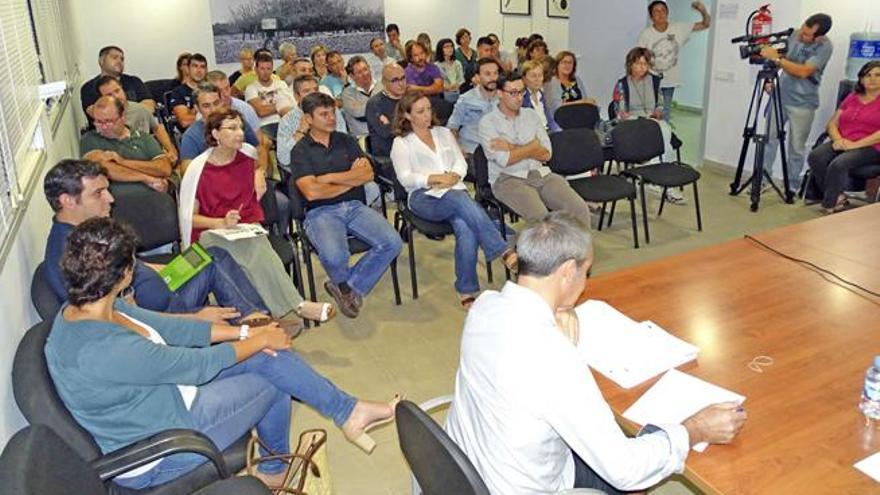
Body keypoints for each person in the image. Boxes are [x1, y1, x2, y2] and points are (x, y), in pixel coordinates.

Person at [46, 216, 399, 489]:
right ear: (123, 274)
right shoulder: (105, 348)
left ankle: (347, 412)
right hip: (162, 445)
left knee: (265, 354)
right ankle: (277, 469)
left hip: (162, 399)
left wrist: (248, 332)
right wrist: (259, 340)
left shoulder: (91, 306)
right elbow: (197, 365)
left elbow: (173, 328)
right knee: (272, 377)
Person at [446, 212, 747, 494]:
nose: (585, 282)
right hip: (524, 485)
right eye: (585, 272)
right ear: (567, 272)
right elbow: (625, 470)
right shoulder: (554, 360)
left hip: (470, 469)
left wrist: (557, 311)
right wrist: (695, 430)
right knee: (639, 460)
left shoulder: (484, 306)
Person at [42, 159, 288, 329]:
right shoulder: (72, 255)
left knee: (212, 255)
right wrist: (194, 319)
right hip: (165, 314)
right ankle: (255, 324)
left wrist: (178, 266)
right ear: (67, 201)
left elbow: (135, 268)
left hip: (165, 283)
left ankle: (255, 317)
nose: (111, 199)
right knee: (213, 263)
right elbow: (122, 319)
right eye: (98, 193)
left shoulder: (87, 234)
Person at [179, 107, 333, 323]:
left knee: (257, 247)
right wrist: (220, 222)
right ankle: (294, 306)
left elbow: (258, 164)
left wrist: (259, 171)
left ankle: (268, 315)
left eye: (241, 127)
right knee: (251, 253)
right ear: (215, 134)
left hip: (244, 229)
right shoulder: (198, 170)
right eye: (232, 128)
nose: (240, 133)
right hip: (210, 233)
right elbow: (190, 219)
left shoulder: (247, 159)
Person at [390, 91, 516, 307]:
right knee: (460, 200)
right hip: (423, 197)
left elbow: (461, 162)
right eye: (420, 111)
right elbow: (405, 178)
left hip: (454, 189)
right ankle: (501, 249)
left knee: (465, 225)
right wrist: (434, 178)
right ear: (407, 115)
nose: (427, 115)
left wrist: (454, 176)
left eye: (428, 109)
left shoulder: (443, 133)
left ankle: (466, 289)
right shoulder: (402, 143)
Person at [292, 92, 403, 318]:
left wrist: (327, 178)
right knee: (335, 257)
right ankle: (346, 287)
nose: (331, 118)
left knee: (392, 242)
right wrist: (349, 180)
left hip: (354, 206)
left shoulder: (346, 140)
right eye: (324, 114)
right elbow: (311, 193)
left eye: (332, 112)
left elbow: (367, 174)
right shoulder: (300, 151)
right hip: (320, 212)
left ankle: (346, 287)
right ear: (309, 119)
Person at [479, 72, 592, 224]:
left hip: (540, 174)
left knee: (579, 209)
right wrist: (533, 147)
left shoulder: (531, 115)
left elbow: (546, 154)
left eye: (521, 92)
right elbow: (505, 160)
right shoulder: (488, 123)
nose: (519, 97)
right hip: (508, 178)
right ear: (499, 93)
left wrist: (512, 147)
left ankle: (578, 241)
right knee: (542, 218)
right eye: (513, 93)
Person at [759, 13, 834, 195]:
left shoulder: (825, 46)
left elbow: (803, 71)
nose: (801, 35)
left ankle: (792, 186)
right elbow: (781, 57)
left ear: (819, 37)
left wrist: (777, 59)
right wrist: (769, 78)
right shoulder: (794, 34)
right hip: (780, 97)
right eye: (802, 30)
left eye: (807, 34)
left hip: (803, 104)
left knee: (796, 147)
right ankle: (763, 180)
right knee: (768, 140)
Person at [806, 61, 880, 213]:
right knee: (816, 156)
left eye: (877, 75)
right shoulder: (852, 97)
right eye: (868, 75)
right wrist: (838, 139)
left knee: (839, 163)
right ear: (861, 79)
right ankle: (837, 197)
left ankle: (829, 205)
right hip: (845, 141)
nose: (872, 79)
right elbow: (832, 123)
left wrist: (855, 145)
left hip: (872, 146)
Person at [612, 47, 682, 193]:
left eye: (645, 64)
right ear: (630, 64)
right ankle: (660, 182)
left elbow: (660, 104)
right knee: (656, 137)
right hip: (633, 123)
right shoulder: (622, 84)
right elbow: (621, 113)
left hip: (652, 121)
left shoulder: (655, 81)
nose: (642, 67)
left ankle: (663, 181)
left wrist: (658, 111)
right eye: (638, 63)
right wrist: (639, 118)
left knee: (665, 133)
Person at [636, 0, 711, 123]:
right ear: (651, 16)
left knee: (665, 114)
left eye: (663, 10)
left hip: (669, 81)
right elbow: (638, 58)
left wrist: (702, 10)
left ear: (667, 13)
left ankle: (663, 135)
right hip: (651, 80)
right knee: (649, 114)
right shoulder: (646, 34)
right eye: (656, 11)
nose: (660, 14)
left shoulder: (678, 28)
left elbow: (705, 24)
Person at [80, 96, 172, 193]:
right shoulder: (90, 139)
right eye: (98, 122)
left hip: (153, 194)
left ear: (123, 117)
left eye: (108, 121)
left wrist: (122, 161)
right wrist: (146, 178)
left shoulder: (144, 138)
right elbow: (104, 168)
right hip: (116, 198)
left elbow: (164, 168)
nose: (104, 127)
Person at [95, 76, 178, 163]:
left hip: (149, 156)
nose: (117, 96)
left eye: (117, 91)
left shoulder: (140, 109)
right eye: (109, 95)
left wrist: (171, 150)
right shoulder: (103, 120)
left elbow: (157, 128)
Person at [277, 75, 347, 171]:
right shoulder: (287, 121)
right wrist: (300, 131)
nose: (313, 94)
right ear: (296, 96)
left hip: (336, 163)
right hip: (306, 170)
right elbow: (284, 159)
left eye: (315, 89)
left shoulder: (332, 112)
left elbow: (343, 142)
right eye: (307, 91)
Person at [81, 46, 154, 120]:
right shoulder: (89, 87)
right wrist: (134, 111)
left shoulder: (134, 81)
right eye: (114, 57)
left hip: (138, 125)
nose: (119, 61)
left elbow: (149, 106)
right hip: (107, 127)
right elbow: (94, 112)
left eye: (122, 59)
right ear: (101, 61)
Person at [447, 58, 501, 155]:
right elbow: (452, 128)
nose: (493, 78)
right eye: (487, 74)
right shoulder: (466, 99)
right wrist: (458, 150)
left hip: (498, 151)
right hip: (471, 150)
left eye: (495, 73)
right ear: (478, 77)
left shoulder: (504, 98)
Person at [246, 51, 296, 138]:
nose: (265, 72)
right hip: (265, 125)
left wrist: (270, 107)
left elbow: (291, 105)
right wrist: (282, 104)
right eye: (262, 69)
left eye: (268, 68)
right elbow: (261, 111)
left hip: (285, 122)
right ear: (256, 70)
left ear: (272, 69)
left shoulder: (281, 84)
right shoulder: (251, 89)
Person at [366, 63, 408, 158]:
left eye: (403, 78)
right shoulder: (374, 104)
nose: (401, 84)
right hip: (387, 156)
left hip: (413, 149)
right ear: (384, 82)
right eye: (395, 80)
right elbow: (387, 132)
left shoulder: (411, 98)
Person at [544, 51, 597, 124]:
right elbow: (557, 106)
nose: (567, 65)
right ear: (557, 65)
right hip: (562, 117)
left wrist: (587, 102)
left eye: (570, 63)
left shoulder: (577, 79)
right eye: (564, 62)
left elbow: (585, 98)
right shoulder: (551, 82)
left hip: (580, 113)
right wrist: (581, 102)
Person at [341, 56, 381, 138]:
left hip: (384, 135)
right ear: (352, 76)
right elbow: (359, 114)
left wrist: (362, 105)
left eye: (365, 69)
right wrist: (380, 105)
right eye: (359, 72)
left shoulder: (383, 87)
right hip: (362, 138)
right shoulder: (347, 94)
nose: (364, 74)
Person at [168, 53, 209, 130]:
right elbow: (184, 121)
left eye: (202, 67)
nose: (199, 70)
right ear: (188, 69)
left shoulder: (211, 89)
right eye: (195, 66)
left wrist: (194, 113)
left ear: (206, 70)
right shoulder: (178, 92)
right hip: (192, 132)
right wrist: (211, 116)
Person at [521, 60, 558, 133]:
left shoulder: (542, 95)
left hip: (548, 132)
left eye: (540, 75)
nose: (537, 79)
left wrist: (559, 132)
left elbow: (550, 120)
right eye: (533, 76)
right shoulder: (522, 99)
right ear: (524, 79)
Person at [436, 38, 464, 103]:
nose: (450, 49)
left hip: (457, 93)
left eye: (451, 46)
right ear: (440, 49)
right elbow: (437, 83)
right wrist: (447, 87)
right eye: (446, 47)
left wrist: (457, 85)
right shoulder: (437, 65)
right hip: (443, 95)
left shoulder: (457, 63)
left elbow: (461, 79)